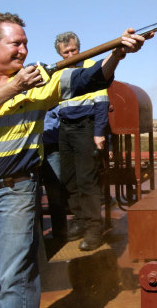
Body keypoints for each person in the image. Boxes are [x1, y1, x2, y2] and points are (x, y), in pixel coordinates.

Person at [0, 12, 148, 308]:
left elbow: (90, 78)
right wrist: (14, 88)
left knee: (16, 276)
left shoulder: (41, 82)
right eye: (16, 44)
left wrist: (117, 55)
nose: (24, 50)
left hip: (16, 191)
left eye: (26, 44)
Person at [54, 31, 109, 251]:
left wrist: (98, 132)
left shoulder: (91, 67)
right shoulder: (60, 71)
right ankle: (78, 220)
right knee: (69, 179)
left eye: (73, 50)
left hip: (85, 128)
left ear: (80, 48)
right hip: (64, 129)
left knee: (87, 181)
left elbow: (102, 103)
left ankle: (94, 230)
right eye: (65, 52)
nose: (70, 54)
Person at [40, 105, 67, 245]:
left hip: (52, 151)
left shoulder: (56, 105)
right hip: (32, 152)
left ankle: (60, 233)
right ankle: (37, 235)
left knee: (55, 193)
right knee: (31, 196)